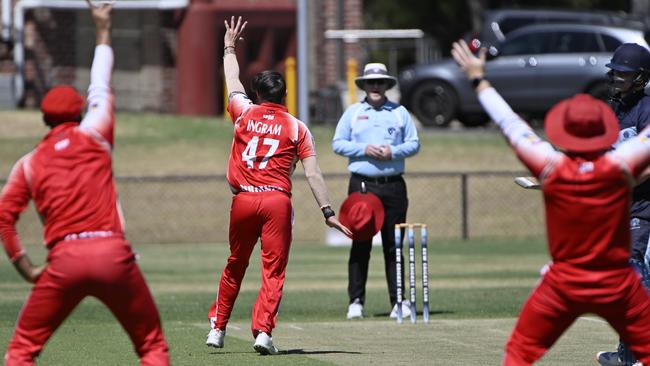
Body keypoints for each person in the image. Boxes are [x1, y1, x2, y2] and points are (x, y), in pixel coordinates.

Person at [451, 39, 650, 366]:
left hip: (564, 284)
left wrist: (478, 78)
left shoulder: (551, 166)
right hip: (617, 284)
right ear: (604, 134)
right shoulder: (620, 169)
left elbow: (510, 123)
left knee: (517, 356)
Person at [0, 2, 170, 365]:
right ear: (80, 113)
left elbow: (4, 217)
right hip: (112, 254)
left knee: (21, 353)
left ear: (44, 119)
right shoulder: (96, 134)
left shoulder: (29, 164)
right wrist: (102, 28)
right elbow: (100, 83)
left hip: (64, 260)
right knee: (152, 347)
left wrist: (27, 268)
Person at [205, 16, 351, 355]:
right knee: (273, 271)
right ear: (285, 94)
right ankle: (263, 333)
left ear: (257, 93)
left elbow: (231, 77)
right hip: (276, 202)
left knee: (235, 263)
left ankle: (218, 328)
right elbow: (313, 174)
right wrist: (327, 211)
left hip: (243, 200)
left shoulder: (243, 111)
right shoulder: (297, 127)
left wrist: (229, 45)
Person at [332, 62, 420, 319]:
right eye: (371, 82)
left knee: (394, 246)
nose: (375, 86)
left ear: (386, 85)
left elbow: (414, 144)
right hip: (362, 186)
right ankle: (356, 302)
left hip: (393, 185)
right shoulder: (353, 112)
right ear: (364, 85)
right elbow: (337, 143)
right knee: (360, 244)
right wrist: (364, 149)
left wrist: (393, 151)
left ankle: (398, 301)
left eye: (380, 82)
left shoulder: (399, 112)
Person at [597, 42, 650, 366]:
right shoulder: (613, 110)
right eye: (615, 71)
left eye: (625, 73)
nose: (617, 77)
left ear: (641, 77)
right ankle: (628, 352)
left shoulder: (647, 110)